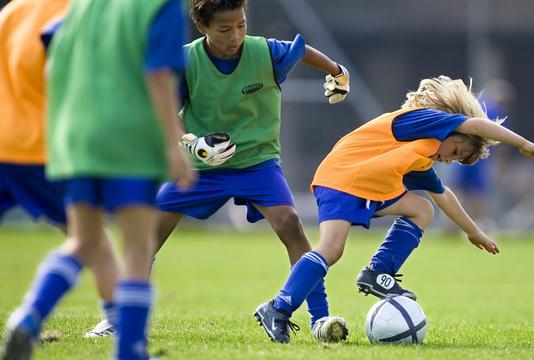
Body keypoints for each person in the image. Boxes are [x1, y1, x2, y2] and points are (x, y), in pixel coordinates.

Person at [84, 0, 351, 342]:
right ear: (203, 28)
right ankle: (117, 318)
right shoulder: (185, 61)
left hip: (258, 163)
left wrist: (336, 70)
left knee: (291, 225)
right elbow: (168, 113)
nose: (236, 35)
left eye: (241, 25)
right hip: (201, 169)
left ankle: (320, 320)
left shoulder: (265, 52)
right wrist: (192, 143)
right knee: (147, 233)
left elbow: (302, 51)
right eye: (224, 29)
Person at [254, 75, 534, 343]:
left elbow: (443, 195)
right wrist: (523, 144)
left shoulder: (422, 156)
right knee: (331, 249)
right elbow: (475, 125)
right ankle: (278, 308)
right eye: (457, 152)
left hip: (359, 185)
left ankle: (378, 272)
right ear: (454, 130)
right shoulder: (423, 121)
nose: (449, 160)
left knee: (422, 209)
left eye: (457, 161)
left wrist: (474, 232)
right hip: (343, 178)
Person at [1, 0, 194, 359]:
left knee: (83, 240)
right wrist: (172, 143)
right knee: (137, 248)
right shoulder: (162, 6)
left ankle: (28, 317)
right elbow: (158, 73)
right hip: (128, 139)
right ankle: (130, 351)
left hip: (75, 139)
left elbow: (53, 55)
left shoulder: (85, 4)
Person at [0, 0, 121, 343]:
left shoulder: (11, 11)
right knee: (92, 239)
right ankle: (123, 333)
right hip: (39, 148)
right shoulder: (76, 11)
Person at [449, 79, 515, 232]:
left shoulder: (477, 104)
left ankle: (457, 224)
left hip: (464, 154)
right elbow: (501, 142)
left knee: (462, 191)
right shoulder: (497, 111)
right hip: (479, 158)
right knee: (477, 193)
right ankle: (475, 224)